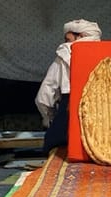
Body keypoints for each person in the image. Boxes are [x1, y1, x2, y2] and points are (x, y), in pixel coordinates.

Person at [36, 18, 102, 152]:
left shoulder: (66, 52)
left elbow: (44, 95)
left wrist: (49, 119)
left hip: (70, 107)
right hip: (101, 111)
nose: (66, 42)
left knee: (54, 144)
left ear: (81, 36)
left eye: (68, 39)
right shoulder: (105, 51)